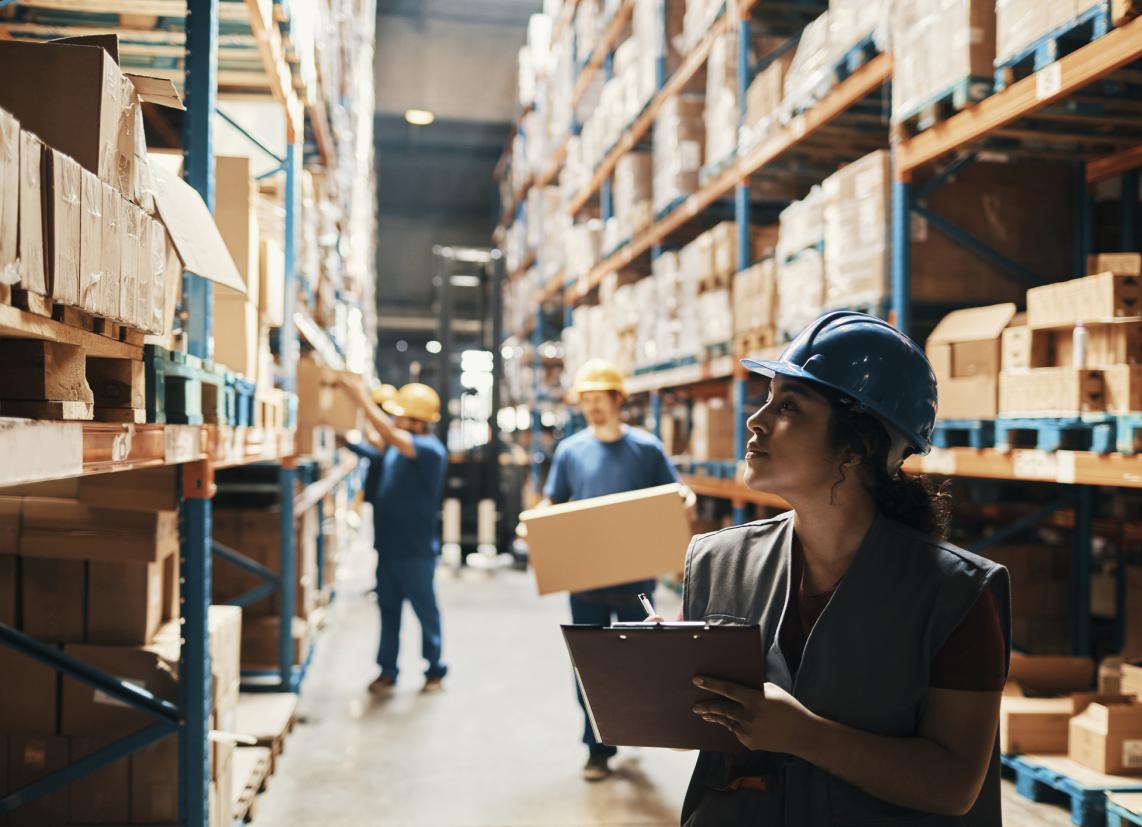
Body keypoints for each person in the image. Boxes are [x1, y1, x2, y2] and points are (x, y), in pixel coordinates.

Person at [672, 311, 1009, 825]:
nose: (755, 420)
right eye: (767, 399)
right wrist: (663, 674)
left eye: (788, 405)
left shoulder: (954, 596)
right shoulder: (719, 563)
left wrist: (802, 734)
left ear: (858, 446)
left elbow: (955, 785)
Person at [530, 358, 697, 782]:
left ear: (618, 399)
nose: (592, 407)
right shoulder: (571, 451)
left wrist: (686, 498)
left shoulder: (645, 449)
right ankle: (597, 747)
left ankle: (632, 727)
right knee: (589, 665)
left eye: (599, 398)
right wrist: (534, 519)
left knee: (636, 663)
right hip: (585, 579)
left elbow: (672, 493)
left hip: (634, 580)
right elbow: (555, 502)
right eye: (585, 399)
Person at [340, 379, 450, 694]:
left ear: (419, 421)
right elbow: (376, 443)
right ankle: (387, 671)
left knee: (425, 612)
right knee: (389, 612)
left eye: (401, 416)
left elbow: (387, 435)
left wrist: (361, 399)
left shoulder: (429, 450)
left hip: (415, 552)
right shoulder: (394, 449)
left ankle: (434, 670)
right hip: (387, 549)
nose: (395, 420)